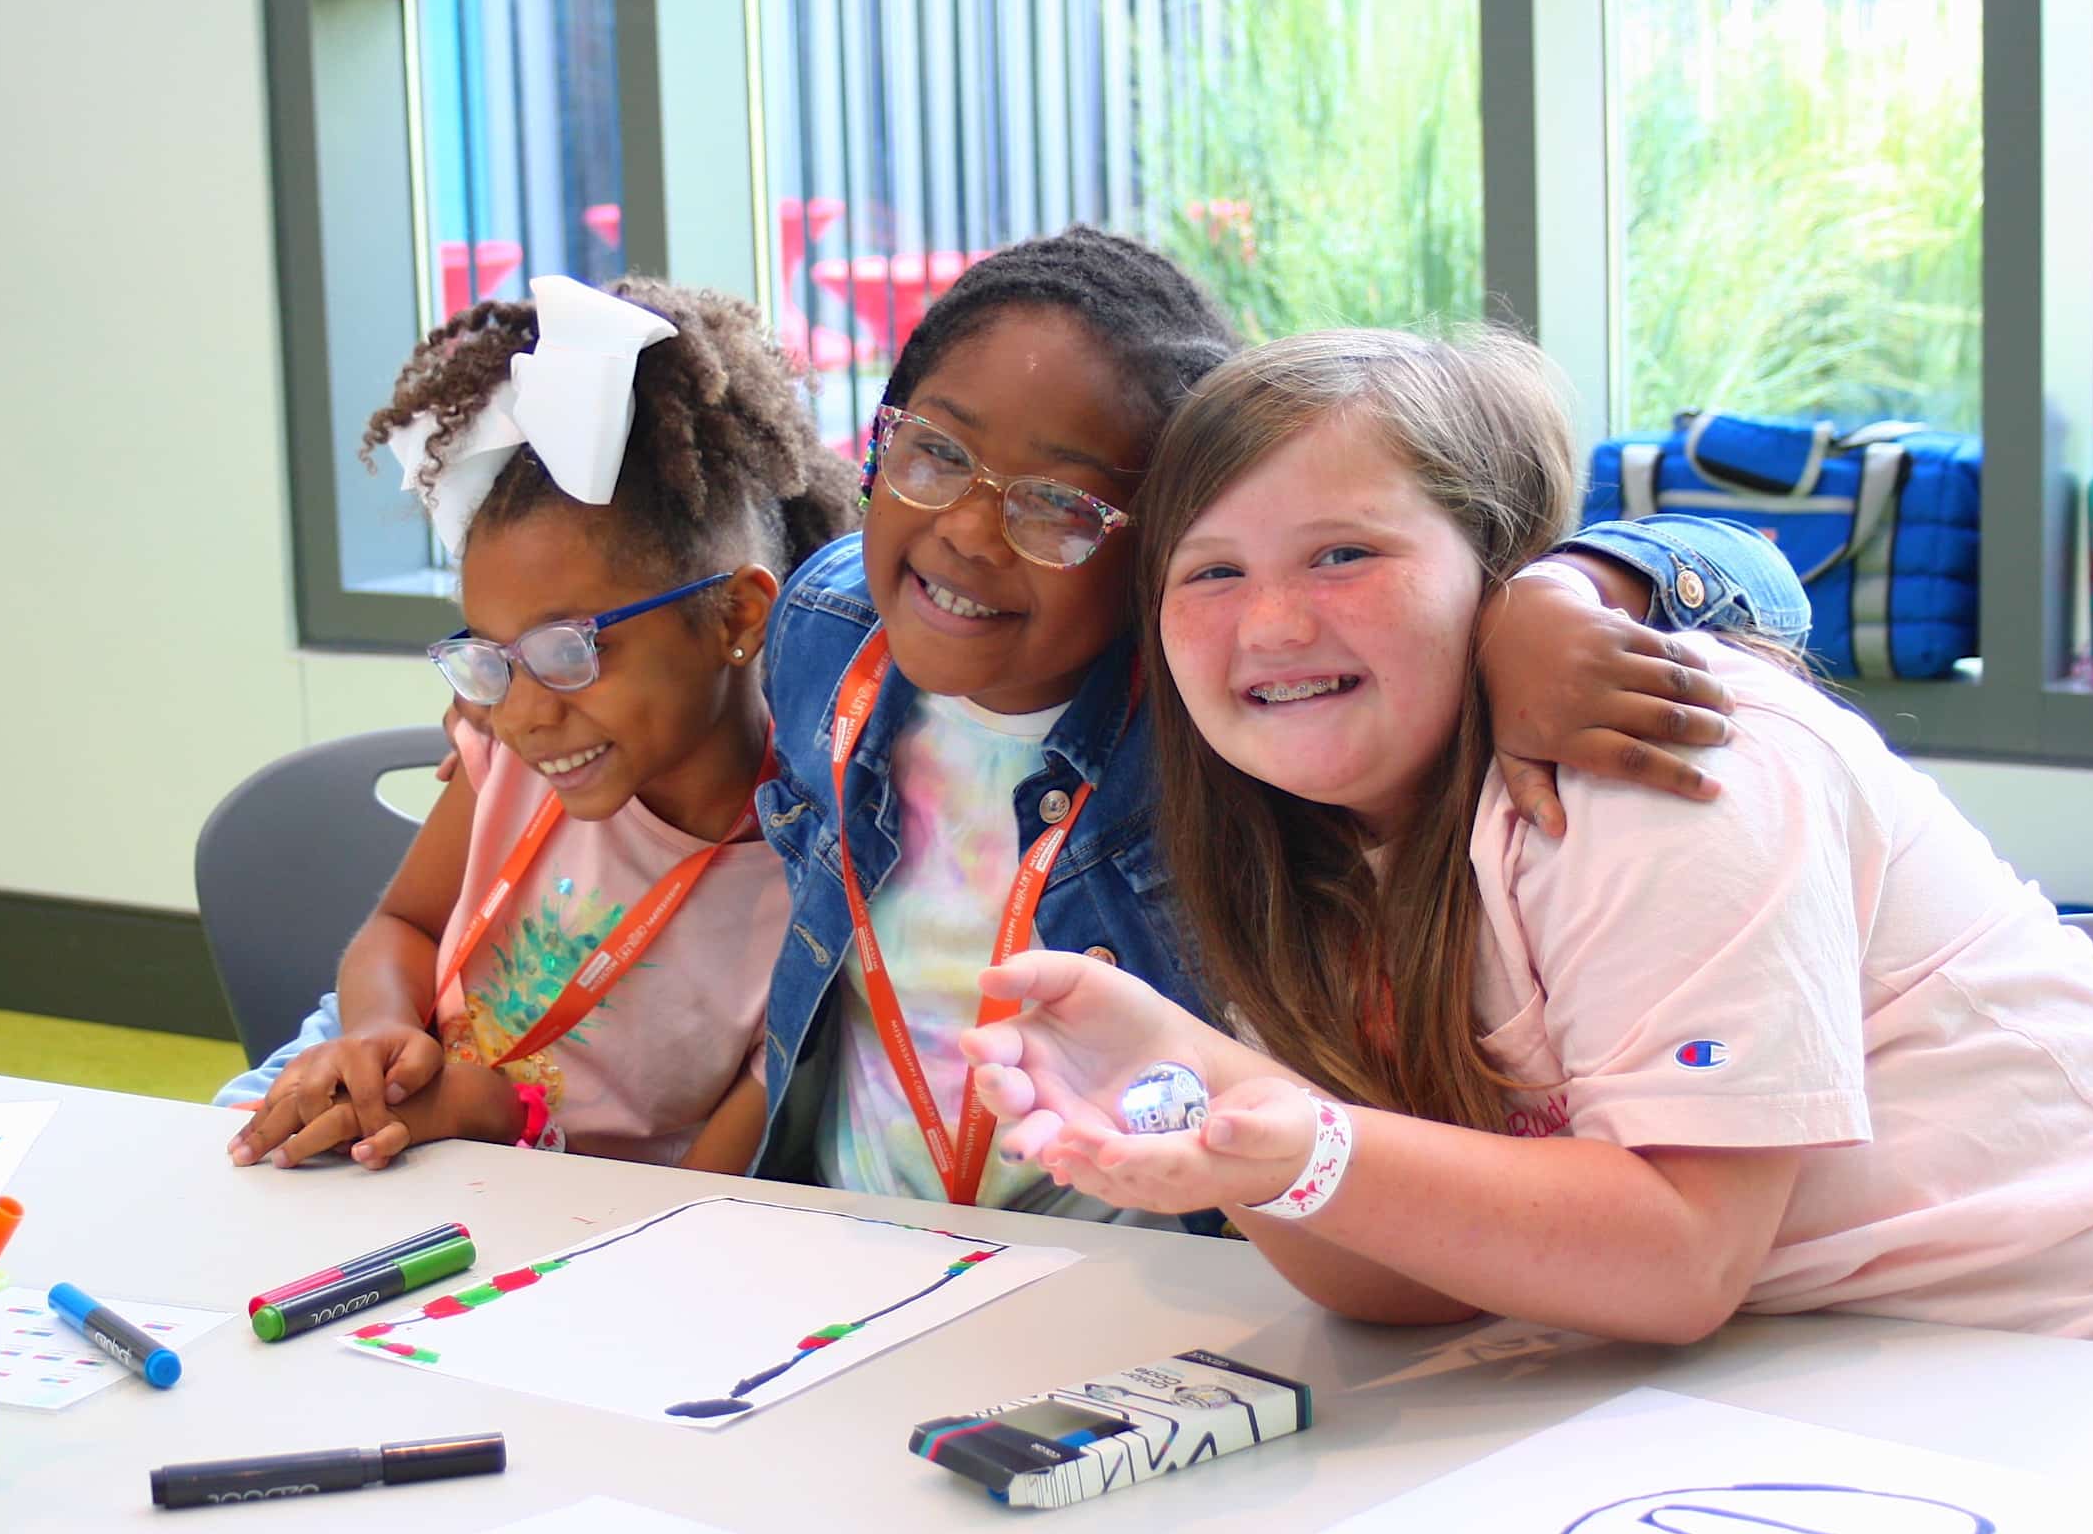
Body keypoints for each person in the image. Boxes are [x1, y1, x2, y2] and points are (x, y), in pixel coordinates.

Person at [970, 325, 2093, 1346]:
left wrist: (1318, 1140)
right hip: (1839, 1381)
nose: (1277, 622)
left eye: (1344, 552)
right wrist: (1195, 1079)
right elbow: (1414, 1279)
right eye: (1212, 572)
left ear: (1500, 570)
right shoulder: (1312, 850)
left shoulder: (1653, 756)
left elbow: (1678, 1254)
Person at [754, 227, 1814, 1222]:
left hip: (1164, 1264)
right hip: (862, 1234)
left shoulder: (1222, 711)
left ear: (1161, 553)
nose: (970, 532)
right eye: (934, 453)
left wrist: (1562, 592)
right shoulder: (827, 626)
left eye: (1060, 508)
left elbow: (1760, 576)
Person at [222, 276, 847, 1172]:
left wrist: (486, 1113)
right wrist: (381, 1034)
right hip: (390, 1104)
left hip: (571, 1195)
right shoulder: (508, 755)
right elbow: (400, 927)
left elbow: (704, 1212)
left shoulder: (813, 884)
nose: (520, 712)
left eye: (569, 651)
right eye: (491, 658)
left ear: (737, 620)